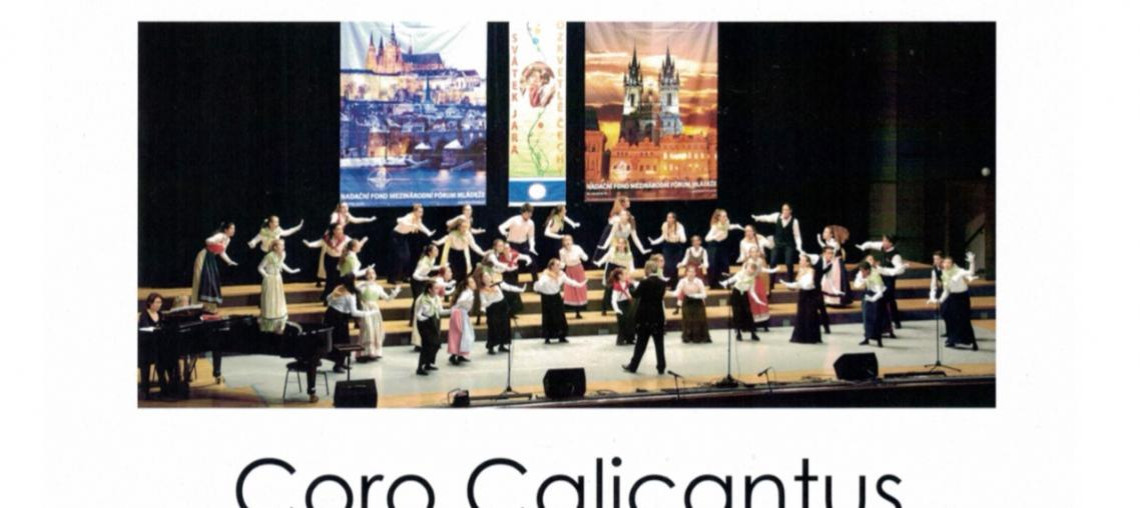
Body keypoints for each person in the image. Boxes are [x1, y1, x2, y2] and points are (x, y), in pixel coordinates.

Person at [621, 260, 669, 375]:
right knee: (659, 344)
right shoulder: (663, 283)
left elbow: (635, 294)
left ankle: (633, 366)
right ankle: (661, 367)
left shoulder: (645, 282)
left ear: (647, 269)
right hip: (658, 316)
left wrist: (630, 285)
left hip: (645, 317)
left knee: (641, 344)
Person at [324, 273, 376, 373]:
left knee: (341, 340)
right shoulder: (349, 295)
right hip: (339, 318)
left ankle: (341, 362)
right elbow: (354, 312)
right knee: (340, 341)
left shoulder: (339, 288)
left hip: (331, 315)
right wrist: (369, 313)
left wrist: (334, 302)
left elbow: (328, 298)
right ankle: (338, 365)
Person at [856, 235, 909, 330]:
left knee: (889, 299)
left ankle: (894, 322)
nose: (883, 242)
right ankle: (883, 323)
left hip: (889, 279)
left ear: (891, 243)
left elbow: (900, 270)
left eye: (885, 241)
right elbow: (872, 244)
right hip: (882, 277)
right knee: (883, 299)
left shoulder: (895, 256)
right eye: (883, 240)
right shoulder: (883, 247)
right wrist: (863, 246)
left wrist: (881, 269)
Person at [929, 252, 979, 350]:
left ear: (952, 264)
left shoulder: (959, 271)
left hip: (963, 297)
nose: (946, 264)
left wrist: (972, 262)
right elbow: (946, 290)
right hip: (953, 296)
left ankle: (971, 342)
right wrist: (939, 300)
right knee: (952, 318)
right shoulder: (944, 274)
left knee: (964, 319)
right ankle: (952, 340)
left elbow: (971, 273)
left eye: (949, 263)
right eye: (945, 263)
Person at [534, 259, 587, 344]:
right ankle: (547, 337)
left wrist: (579, 284)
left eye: (559, 264)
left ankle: (561, 336)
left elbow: (569, 281)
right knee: (548, 317)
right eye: (557, 265)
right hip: (547, 298)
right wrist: (538, 285)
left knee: (560, 316)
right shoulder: (546, 275)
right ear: (552, 266)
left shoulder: (561, 274)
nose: (559, 266)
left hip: (556, 296)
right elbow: (539, 284)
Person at [190, 222, 238, 312]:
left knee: (212, 281)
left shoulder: (228, 240)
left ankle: (209, 307)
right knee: (201, 279)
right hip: (204, 256)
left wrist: (229, 261)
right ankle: (197, 305)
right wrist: (217, 244)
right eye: (232, 228)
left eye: (234, 229)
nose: (233, 230)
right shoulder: (221, 236)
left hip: (211, 258)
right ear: (226, 230)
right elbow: (208, 240)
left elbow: (222, 252)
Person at [753, 203, 803, 290]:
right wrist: (758, 218)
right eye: (783, 209)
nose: (784, 211)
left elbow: (797, 235)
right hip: (777, 243)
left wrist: (799, 246)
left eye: (786, 209)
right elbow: (767, 218)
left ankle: (790, 284)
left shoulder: (794, 221)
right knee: (772, 262)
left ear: (790, 211)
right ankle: (771, 284)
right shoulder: (777, 216)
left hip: (788, 244)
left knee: (789, 262)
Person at [356, 267, 400, 362]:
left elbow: (387, 299)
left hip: (375, 309)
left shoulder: (378, 287)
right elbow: (355, 291)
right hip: (365, 309)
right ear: (366, 275)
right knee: (368, 330)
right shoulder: (361, 285)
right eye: (369, 273)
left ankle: (374, 352)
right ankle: (363, 352)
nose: (371, 275)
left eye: (373, 273)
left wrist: (395, 292)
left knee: (376, 330)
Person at [257, 239, 300, 333]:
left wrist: (291, 271)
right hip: (270, 280)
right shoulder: (269, 256)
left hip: (277, 279)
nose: (283, 247)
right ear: (275, 247)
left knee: (278, 297)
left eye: (283, 245)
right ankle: (269, 317)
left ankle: (278, 315)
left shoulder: (282, 254)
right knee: (270, 298)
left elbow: (281, 264)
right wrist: (267, 276)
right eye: (281, 245)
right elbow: (260, 267)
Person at [302, 224, 353, 301]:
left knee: (339, 279)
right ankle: (326, 297)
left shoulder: (346, 239)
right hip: (329, 260)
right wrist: (309, 244)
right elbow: (318, 243)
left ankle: (339, 297)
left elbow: (353, 245)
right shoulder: (327, 238)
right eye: (338, 229)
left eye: (341, 229)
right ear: (334, 230)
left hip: (340, 260)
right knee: (330, 279)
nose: (341, 231)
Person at [480, 272, 526, 354]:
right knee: (493, 327)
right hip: (492, 309)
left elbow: (510, 288)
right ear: (482, 280)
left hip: (502, 307)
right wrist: (491, 300)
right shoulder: (482, 290)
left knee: (504, 326)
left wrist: (520, 289)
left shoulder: (498, 284)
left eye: (488, 276)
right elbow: (483, 303)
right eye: (484, 277)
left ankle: (502, 345)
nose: (487, 278)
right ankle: (491, 347)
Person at [782, 254, 823, 344]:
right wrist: (788, 284)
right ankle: (801, 337)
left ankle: (811, 337)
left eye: (802, 260)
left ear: (808, 262)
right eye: (800, 260)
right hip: (802, 294)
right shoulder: (801, 270)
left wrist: (801, 283)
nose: (800, 262)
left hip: (810, 295)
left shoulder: (812, 270)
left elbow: (809, 283)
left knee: (810, 314)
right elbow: (798, 283)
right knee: (801, 314)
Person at [389, 204, 435, 284]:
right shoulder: (409, 217)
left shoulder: (418, 219)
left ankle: (404, 276)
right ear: (414, 212)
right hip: (396, 236)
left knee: (407, 257)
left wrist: (428, 233)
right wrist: (412, 225)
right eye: (420, 212)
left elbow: (421, 226)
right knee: (399, 257)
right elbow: (398, 220)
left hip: (403, 237)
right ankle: (392, 278)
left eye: (422, 212)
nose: (421, 213)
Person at [413, 279, 451, 375]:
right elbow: (418, 314)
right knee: (427, 345)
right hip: (424, 323)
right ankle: (420, 367)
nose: (438, 290)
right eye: (436, 288)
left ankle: (428, 363)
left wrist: (451, 311)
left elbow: (440, 311)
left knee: (436, 344)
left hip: (434, 321)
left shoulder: (437, 298)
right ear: (429, 289)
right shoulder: (422, 299)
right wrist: (424, 319)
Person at [720, 260, 764, 341]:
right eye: (750, 268)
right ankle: (738, 333)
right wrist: (725, 283)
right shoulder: (741, 273)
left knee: (748, 313)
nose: (751, 270)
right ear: (747, 268)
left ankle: (753, 333)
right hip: (736, 294)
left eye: (753, 269)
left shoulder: (752, 278)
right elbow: (733, 279)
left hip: (744, 295)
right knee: (737, 313)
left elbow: (752, 291)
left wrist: (757, 300)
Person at [434, 217, 485, 283]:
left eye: (466, 227)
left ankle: (461, 285)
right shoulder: (453, 233)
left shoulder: (468, 234)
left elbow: (474, 245)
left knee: (463, 272)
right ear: (458, 227)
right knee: (450, 271)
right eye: (463, 227)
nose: (464, 229)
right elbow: (445, 238)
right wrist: (438, 243)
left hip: (462, 255)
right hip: (452, 254)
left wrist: (482, 253)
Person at [595, 236, 636, 316]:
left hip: (621, 272)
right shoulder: (612, 250)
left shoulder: (628, 254)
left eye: (622, 243)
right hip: (611, 270)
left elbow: (631, 265)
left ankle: (621, 307)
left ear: (625, 245)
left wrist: (630, 273)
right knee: (608, 288)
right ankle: (604, 308)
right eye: (619, 243)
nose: (620, 245)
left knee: (621, 289)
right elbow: (606, 257)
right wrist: (599, 262)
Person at [491, 238, 532, 318]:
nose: (507, 249)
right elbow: (496, 268)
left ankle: (512, 312)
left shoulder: (514, 254)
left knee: (513, 293)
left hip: (514, 276)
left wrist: (528, 261)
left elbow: (526, 257)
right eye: (505, 248)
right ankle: (506, 312)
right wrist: (505, 269)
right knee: (507, 293)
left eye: (508, 247)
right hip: (505, 276)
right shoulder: (499, 257)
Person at [801, 248, 837, 334]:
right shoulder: (816, 258)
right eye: (829, 253)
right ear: (823, 253)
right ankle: (807, 329)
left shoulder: (830, 265)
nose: (830, 255)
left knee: (822, 308)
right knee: (808, 309)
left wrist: (834, 290)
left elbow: (829, 278)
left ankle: (826, 328)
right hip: (809, 287)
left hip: (817, 288)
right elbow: (804, 255)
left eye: (832, 253)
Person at [498, 203, 539, 278]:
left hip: (523, 245)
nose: (530, 215)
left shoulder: (531, 223)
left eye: (531, 213)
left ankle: (535, 281)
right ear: (523, 212)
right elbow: (501, 227)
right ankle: (513, 282)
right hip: (512, 244)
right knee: (513, 264)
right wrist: (504, 232)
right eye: (528, 213)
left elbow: (531, 236)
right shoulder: (514, 219)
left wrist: (532, 246)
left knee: (532, 262)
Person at [852, 261, 887, 347]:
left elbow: (880, 293)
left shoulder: (875, 276)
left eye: (863, 271)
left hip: (877, 297)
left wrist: (872, 299)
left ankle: (878, 340)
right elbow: (856, 285)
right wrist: (862, 280)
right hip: (869, 293)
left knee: (876, 319)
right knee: (866, 317)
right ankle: (866, 338)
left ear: (868, 270)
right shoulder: (863, 274)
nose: (861, 273)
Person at [705, 209, 744, 282]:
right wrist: (715, 236)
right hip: (713, 246)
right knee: (713, 264)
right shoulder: (715, 226)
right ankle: (713, 283)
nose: (725, 218)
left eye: (726, 216)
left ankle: (725, 281)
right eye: (723, 216)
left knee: (725, 264)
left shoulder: (726, 223)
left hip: (722, 245)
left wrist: (737, 226)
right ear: (719, 217)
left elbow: (729, 227)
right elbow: (707, 238)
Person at [674, 267, 711, 343]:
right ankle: (688, 337)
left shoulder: (699, 281)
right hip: (687, 301)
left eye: (693, 272)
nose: (691, 274)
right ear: (686, 273)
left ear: (695, 273)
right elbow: (677, 292)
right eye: (689, 272)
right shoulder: (682, 281)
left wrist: (694, 295)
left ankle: (699, 337)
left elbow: (704, 294)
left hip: (697, 301)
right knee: (687, 319)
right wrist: (668, 293)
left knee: (699, 319)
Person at [817, 225, 852, 306]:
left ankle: (836, 300)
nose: (824, 233)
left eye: (826, 232)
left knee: (835, 281)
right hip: (831, 262)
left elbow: (829, 252)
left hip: (836, 264)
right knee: (826, 281)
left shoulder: (834, 243)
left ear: (831, 234)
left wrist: (819, 242)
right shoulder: (829, 242)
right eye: (824, 232)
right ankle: (827, 300)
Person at [447, 276, 478, 365]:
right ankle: (453, 355)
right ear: (467, 285)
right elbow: (460, 301)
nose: (474, 283)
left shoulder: (469, 292)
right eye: (471, 282)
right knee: (458, 334)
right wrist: (464, 305)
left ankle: (460, 354)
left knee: (464, 334)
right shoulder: (466, 293)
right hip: (459, 314)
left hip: (462, 313)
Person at [649, 212, 687, 283]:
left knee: (674, 266)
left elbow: (684, 240)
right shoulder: (665, 225)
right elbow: (663, 237)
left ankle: (674, 283)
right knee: (667, 265)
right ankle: (666, 282)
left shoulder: (679, 226)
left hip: (677, 247)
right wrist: (654, 242)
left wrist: (679, 235)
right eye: (667, 217)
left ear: (674, 219)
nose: (668, 219)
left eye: (669, 217)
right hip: (668, 246)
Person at [558, 235, 590, 318]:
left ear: (572, 241)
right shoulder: (561, 251)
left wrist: (583, 256)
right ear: (563, 242)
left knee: (579, 289)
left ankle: (578, 312)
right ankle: (567, 310)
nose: (568, 242)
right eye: (566, 240)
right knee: (569, 289)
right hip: (569, 271)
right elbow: (563, 263)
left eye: (569, 240)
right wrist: (559, 266)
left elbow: (585, 258)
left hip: (578, 270)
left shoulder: (577, 248)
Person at [594, 194, 631, 260]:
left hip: (614, 231)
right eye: (627, 201)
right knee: (604, 249)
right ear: (623, 203)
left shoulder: (623, 213)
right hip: (610, 231)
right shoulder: (621, 213)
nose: (629, 202)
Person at [609, 267, 637, 346]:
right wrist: (617, 309)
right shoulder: (616, 286)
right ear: (620, 276)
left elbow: (636, 286)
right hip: (620, 304)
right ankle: (621, 339)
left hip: (627, 303)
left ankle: (630, 339)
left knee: (631, 321)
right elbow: (613, 300)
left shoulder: (628, 283)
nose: (627, 276)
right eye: (625, 274)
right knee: (622, 322)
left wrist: (634, 283)